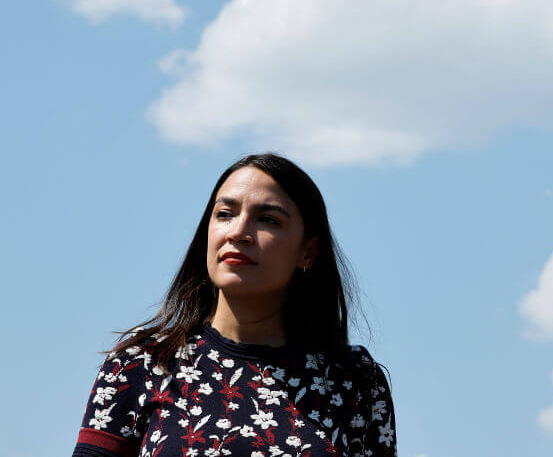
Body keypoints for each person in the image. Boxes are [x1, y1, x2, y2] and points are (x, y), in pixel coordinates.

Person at [72, 153, 397, 457]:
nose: (239, 232)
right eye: (224, 214)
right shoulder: (143, 362)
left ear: (308, 252)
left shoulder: (354, 381)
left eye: (268, 219)